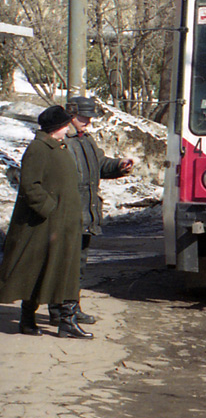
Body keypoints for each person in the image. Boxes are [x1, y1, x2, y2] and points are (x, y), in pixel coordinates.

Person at [0, 106, 91, 338]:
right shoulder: (38, 149)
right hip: (46, 225)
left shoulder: (58, 147)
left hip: (64, 224)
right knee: (40, 271)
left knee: (62, 271)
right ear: (55, 128)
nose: (67, 129)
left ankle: (64, 322)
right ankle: (32, 319)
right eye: (64, 125)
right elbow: (30, 185)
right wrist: (50, 208)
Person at [48, 96, 133, 327]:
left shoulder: (86, 140)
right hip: (68, 212)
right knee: (64, 265)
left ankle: (72, 307)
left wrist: (118, 166)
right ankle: (59, 311)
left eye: (90, 117)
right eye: (84, 117)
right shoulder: (61, 141)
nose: (88, 121)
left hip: (86, 211)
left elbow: (99, 165)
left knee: (79, 266)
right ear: (71, 116)